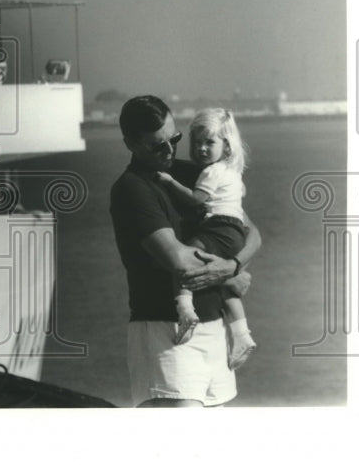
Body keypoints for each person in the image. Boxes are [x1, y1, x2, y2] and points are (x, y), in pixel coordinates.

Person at [109, 95, 260, 407]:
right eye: (157, 145)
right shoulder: (132, 189)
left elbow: (252, 234)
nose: (169, 151)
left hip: (214, 329)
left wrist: (234, 265)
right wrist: (228, 274)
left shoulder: (196, 174)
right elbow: (177, 259)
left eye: (174, 139)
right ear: (131, 144)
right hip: (165, 333)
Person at [156, 108, 257, 369]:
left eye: (209, 143)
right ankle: (242, 334)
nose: (201, 148)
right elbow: (242, 199)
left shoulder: (211, 172)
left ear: (226, 146)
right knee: (225, 286)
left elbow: (196, 199)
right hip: (235, 233)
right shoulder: (232, 171)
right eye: (196, 143)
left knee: (185, 259)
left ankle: (185, 311)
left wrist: (169, 183)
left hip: (218, 227)